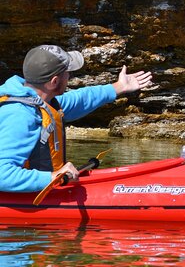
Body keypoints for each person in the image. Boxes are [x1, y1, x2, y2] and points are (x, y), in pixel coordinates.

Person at [0, 44, 152, 193]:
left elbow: (80, 99)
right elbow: (2, 175)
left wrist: (119, 86)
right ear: (54, 82)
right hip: (23, 201)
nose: (69, 76)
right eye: (67, 73)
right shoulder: (19, 115)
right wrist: (53, 177)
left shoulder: (41, 101)